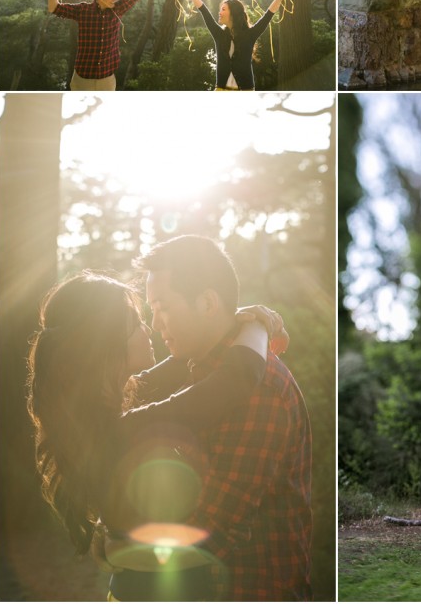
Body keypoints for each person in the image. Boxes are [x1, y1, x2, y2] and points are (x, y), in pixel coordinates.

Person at [27, 270, 284, 601]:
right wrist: (257, 326)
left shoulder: (102, 419)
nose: (148, 327)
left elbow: (184, 358)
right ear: (104, 342)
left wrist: (229, 320)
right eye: (134, 322)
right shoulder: (128, 428)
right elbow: (237, 378)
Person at [135, 236, 312, 601]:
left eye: (162, 306)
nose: (155, 323)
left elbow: (212, 529)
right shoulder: (198, 367)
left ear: (206, 302)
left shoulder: (258, 391)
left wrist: (117, 547)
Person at [47, 0, 142, 90]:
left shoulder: (118, 9)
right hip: (82, 80)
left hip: (107, 80)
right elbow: (54, 7)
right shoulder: (83, 10)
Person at [181, 0, 290, 90]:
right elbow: (203, 10)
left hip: (245, 91)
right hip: (221, 91)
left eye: (223, 9)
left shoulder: (250, 35)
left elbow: (269, 14)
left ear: (233, 13)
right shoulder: (218, 34)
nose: (219, 13)